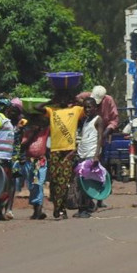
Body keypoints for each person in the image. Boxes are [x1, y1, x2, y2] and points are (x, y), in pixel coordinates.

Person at [40, 89, 85, 219]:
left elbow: (87, 106)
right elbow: (37, 108)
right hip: (54, 149)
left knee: (64, 181)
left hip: (68, 150)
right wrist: (51, 101)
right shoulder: (52, 111)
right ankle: (58, 207)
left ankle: (61, 209)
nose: (63, 100)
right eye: (61, 98)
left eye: (65, 97)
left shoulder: (75, 110)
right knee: (54, 180)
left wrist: (74, 98)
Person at [73, 97, 104, 218]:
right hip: (82, 154)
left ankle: (85, 209)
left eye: (89, 107)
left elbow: (100, 138)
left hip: (91, 154)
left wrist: (96, 155)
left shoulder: (98, 120)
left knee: (86, 182)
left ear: (95, 108)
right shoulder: (85, 121)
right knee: (80, 182)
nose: (87, 109)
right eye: (85, 107)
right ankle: (85, 207)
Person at [0, 98, 18, 220]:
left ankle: (5, 210)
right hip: (0, 157)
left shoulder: (7, 121)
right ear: (5, 108)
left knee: (9, 185)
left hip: (7, 157)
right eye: (10, 108)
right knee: (1, 185)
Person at [21, 115, 49, 220]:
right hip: (30, 161)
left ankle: (39, 209)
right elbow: (23, 145)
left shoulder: (45, 132)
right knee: (32, 185)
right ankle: (36, 208)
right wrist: (33, 134)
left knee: (38, 184)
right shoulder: (27, 133)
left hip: (40, 161)